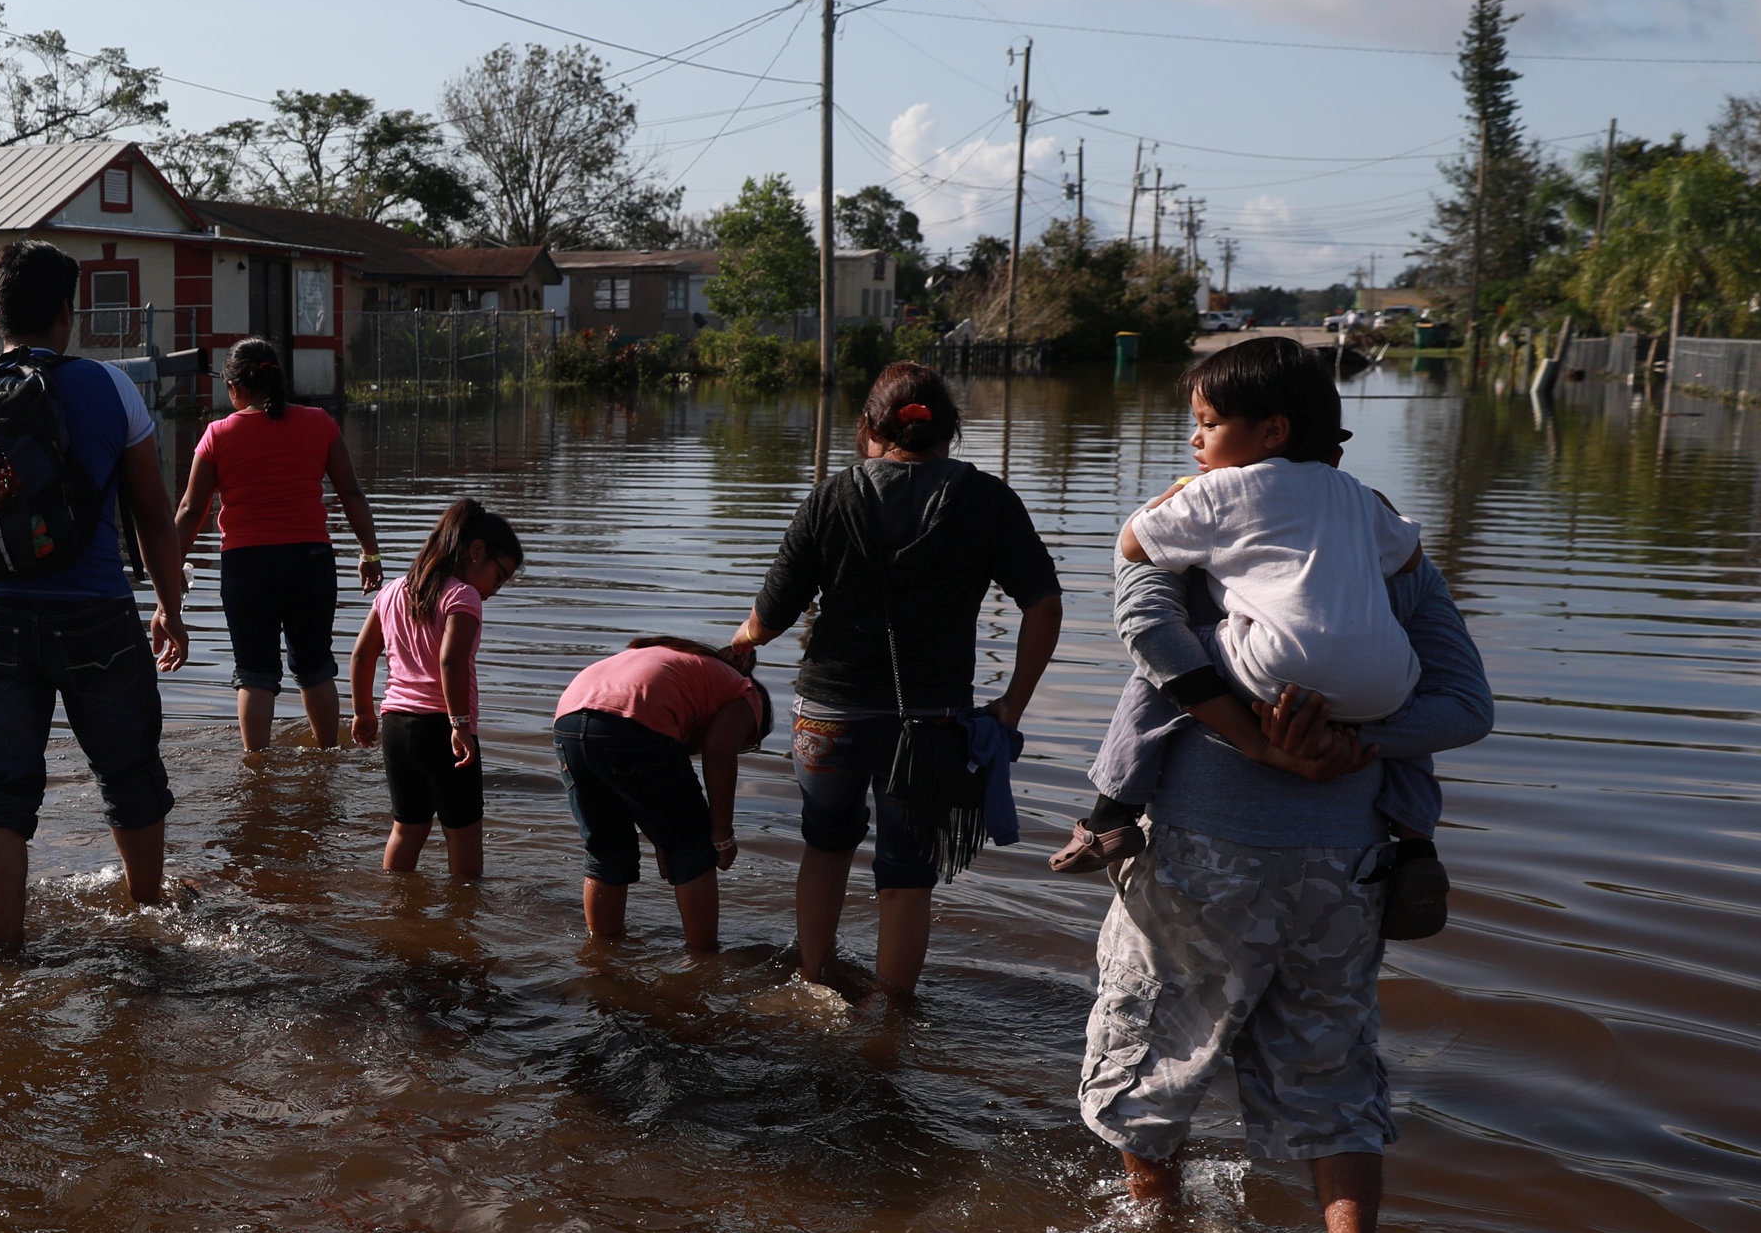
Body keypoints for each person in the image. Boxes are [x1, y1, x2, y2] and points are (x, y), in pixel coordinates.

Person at [1077, 530, 1495, 1233]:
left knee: (1153, 1048)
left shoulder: (1191, 536)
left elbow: (1149, 640)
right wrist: (1352, 745)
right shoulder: (1389, 556)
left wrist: (1257, 743)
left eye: (1207, 427)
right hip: (1347, 864)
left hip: (1203, 855)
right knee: (1332, 1065)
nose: (1197, 446)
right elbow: (1465, 704)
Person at [728, 362, 1061, 1002]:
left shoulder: (829, 498)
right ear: (950, 431)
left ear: (868, 427)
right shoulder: (988, 499)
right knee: (907, 877)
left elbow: (769, 617)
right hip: (931, 723)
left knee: (825, 848)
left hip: (828, 716)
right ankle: (892, 1021)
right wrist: (1012, 706)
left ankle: (812, 983)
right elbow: (1044, 607)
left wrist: (738, 644)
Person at [0, 240, 190, 954]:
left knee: (2, 790)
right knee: (129, 772)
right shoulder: (110, 388)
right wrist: (171, 606)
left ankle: (6, 954)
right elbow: (154, 516)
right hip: (96, 611)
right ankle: (146, 921)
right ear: (68, 314)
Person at [1053, 339, 1433, 873]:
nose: (1195, 439)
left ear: (1273, 431)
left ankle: (1112, 810)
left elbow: (1135, 545)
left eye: (1209, 425)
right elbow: (1411, 558)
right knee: (1402, 661)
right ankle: (1417, 844)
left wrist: (1171, 498)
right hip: (1386, 686)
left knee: (1164, 657)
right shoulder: (1355, 494)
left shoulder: (1220, 491)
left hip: (1280, 668)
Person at [170, 337, 382, 753]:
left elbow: (191, 510)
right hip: (310, 562)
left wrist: (171, 568)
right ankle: (328, 759)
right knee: (316, 667)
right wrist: (369, 553)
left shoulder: (217, 434)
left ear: (234, 388)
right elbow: (351, 493)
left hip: (246, 567)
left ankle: (256, 772)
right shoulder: (319, 423)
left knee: (255, 673)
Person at [553, 636, 772, 951]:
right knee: (694, 851)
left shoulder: (682, 662)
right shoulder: (746, 692)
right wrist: (722, 834)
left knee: (607, 849)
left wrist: (661, 840)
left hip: (569, 718)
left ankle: (602, 953)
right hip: (633, 720)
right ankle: (703, 959)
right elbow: (718, 748)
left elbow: (646, 791)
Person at [347, 498, 522, 883]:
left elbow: (361, 655)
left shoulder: (392, 591)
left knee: (407, 828)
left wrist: (363, 712)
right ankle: (465, 916)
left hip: (396, 726)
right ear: (477, 552)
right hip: (443, 727)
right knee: (464, 833)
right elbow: (451, 662)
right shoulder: (463, 596)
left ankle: (396, 901)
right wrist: (459, 724)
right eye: (500, 575)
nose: (497, 588)